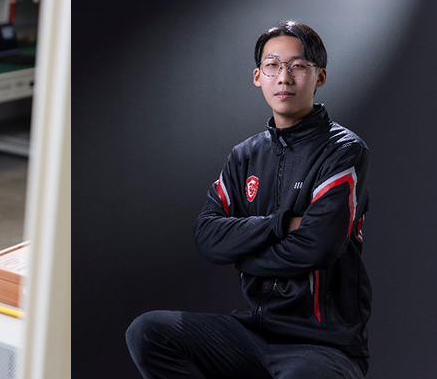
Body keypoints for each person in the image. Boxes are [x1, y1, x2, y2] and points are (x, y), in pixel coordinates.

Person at [126, 21, 372, 378]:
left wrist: (242, 254)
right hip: (252, 335)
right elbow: (207, 236)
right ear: (258, 76)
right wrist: (282, 224)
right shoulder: (245, 156)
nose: (284, 77)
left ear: (320, 77)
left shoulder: (344, 151)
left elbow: (318, 247)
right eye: (273, 65)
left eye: (298, 66)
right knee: (148, 332)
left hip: (321, 346)